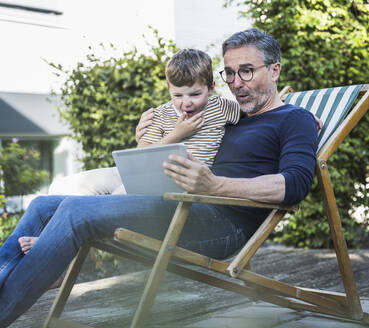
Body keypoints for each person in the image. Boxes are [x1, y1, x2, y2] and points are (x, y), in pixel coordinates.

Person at [0, 28, 318, 326]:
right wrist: (147, 141)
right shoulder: (225, 114)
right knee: (43, 205)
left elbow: (295, 184)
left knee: (74, 211)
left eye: (246, 70)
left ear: (275, 70)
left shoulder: (295, 118)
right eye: (230, 73)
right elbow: (175, 143)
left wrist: (215, 185)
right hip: (178, 202)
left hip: (220, 222)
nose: (236, 82)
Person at [19, 48, 241, 254]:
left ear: (211, 87)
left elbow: (255, 115)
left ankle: (58, 243)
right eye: (178, 96)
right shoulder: (160, 115)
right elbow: (141, 155)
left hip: (182, 182)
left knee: (118, 198)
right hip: (150, 172)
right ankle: (61, 241)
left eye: (195, 94)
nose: (186, 103)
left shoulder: (222, 108)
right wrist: (176, 134)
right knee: (67, 186)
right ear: (169, 89)